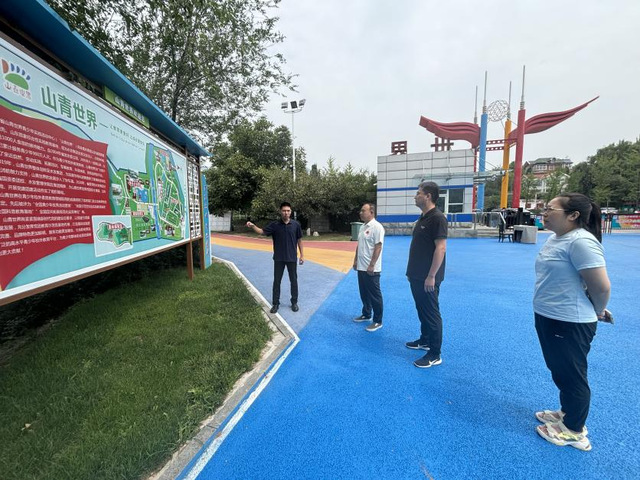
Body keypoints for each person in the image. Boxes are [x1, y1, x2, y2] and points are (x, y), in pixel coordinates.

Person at [533, 193, 611, 452]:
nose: (544, 213)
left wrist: (598, 310)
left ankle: (574, 431)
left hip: (570, 320)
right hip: (549, 315)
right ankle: (567, 412)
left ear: (573, 215)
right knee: (559, 369)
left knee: (572, 375)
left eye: (550, 209)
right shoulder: (556, 238)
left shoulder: (581, 242)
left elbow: (601, 286)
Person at [405, 181, 447, 368]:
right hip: (416, 275)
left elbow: (441, 248)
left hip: (428, 277)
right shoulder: (423, 218)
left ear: (428, 196)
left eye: (418, 193)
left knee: (431, 313)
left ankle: (435, 353)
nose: (415, 196)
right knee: (421, 309)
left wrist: (431, 276)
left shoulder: (437, 218)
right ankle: (425, 339)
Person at [246, 202, 304, 314]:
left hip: (292, 258)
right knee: (277, 281)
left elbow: (299, 241)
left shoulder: (296, 225)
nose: (286, 213)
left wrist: (302, 255)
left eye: (288, 211)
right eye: (284, 210)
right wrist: (253, 226)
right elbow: (261, 232)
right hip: (279, 258)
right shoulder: (275, 225)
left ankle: (294, 302)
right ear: (280, 211)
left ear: (291, 212)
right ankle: (276, 304)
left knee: (293, 281)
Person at [352, 203, 385, 332]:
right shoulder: (362, 227)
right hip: (361, 266)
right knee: (364, 292)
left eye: (363, 210)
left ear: (371, 212)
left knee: (375, 295)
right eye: (360, 211)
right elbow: (359, 245)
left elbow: (378, 247)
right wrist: (355, 260)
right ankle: (366, 314)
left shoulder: (377, 227)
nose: (360, 213)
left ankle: (378, 321)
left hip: (371, 268)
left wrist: (372, 265)